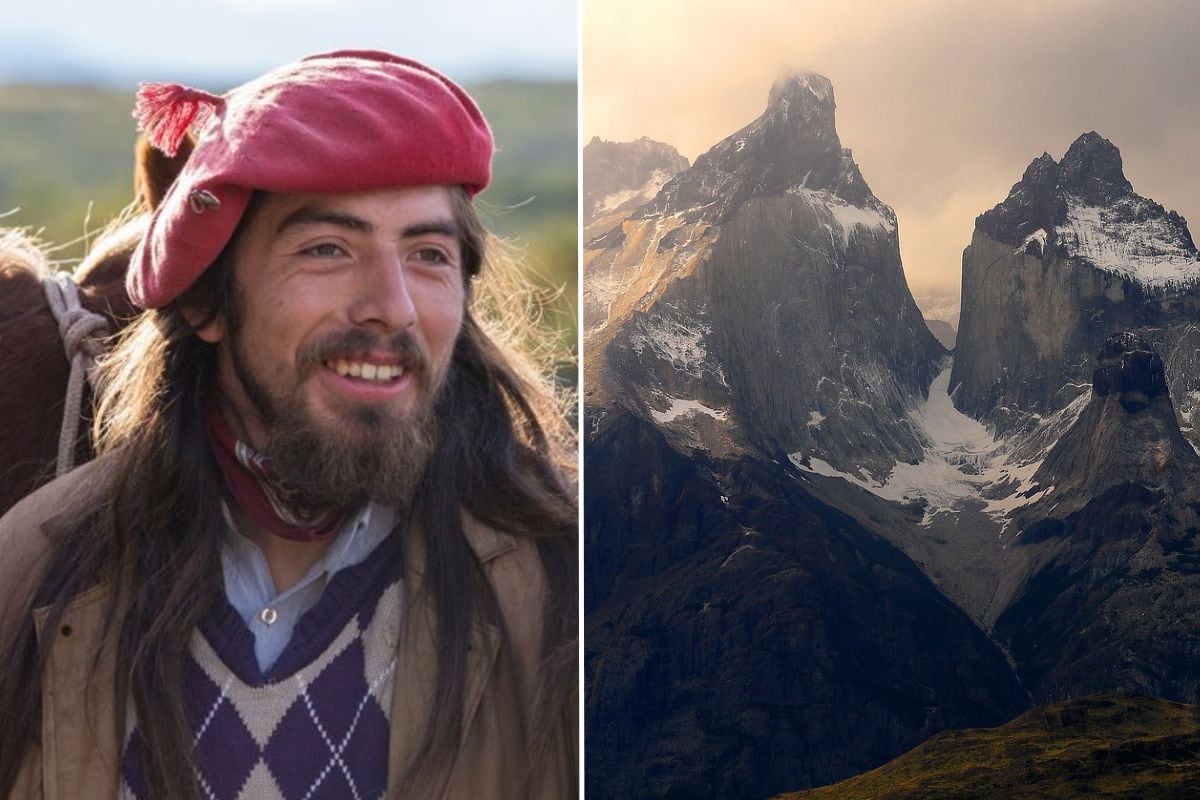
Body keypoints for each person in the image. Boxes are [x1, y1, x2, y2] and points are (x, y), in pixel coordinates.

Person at [0, 50, 577, 799]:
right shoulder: (30, 572)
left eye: (428, 255)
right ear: (208, 302)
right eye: (327, 249)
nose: (393, 306)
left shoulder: (572, 589)